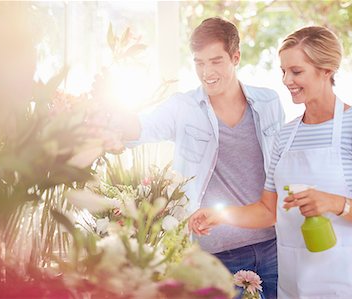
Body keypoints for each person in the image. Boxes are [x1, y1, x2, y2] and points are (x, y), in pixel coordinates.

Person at [189, 25, 352, 299]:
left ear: (327, 70)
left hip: (347, 283)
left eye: (297, 71)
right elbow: (268, 210)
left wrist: (336, 203)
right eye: (283, 71)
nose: (287, 80)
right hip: (293, 283)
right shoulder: (285, 135)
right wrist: (221, 215)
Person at [100, 17, 284, 299]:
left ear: (236, 57)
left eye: (215, 61)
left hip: (272, 246)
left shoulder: (269, 103)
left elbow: (284, 165)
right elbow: (142, 127)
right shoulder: (183, 108)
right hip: (215, 254)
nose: (207, 72)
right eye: (199, 62)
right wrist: (106, 115)